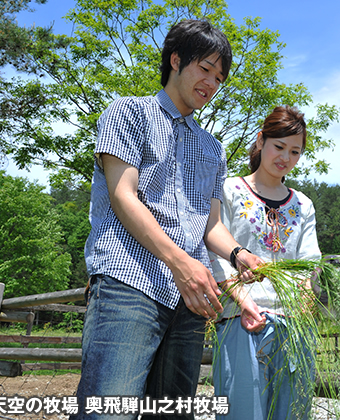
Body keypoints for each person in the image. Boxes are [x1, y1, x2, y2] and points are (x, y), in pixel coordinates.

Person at [73, 19, 264, 419]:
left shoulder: (213, 147)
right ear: (176, 60)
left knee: (173, 413)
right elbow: (123, 197)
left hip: (190, 298)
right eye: (205, 68)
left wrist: (239, 253)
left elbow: (210, 224)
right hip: (129, 281)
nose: (211, 83)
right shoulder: (128, 112)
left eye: (219, 76)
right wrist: (180, 262)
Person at [210, 105, 321, 420]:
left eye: (295, 151)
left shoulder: (302, 205)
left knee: (292, 413)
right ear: (260, 141)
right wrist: (244, 301)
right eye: (279, 146)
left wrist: (302, 308)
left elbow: (309, 263)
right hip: (239, 320)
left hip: (293, 325)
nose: (286, 157)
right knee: (242, 413)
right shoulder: (230, 190)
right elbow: (216, 254)